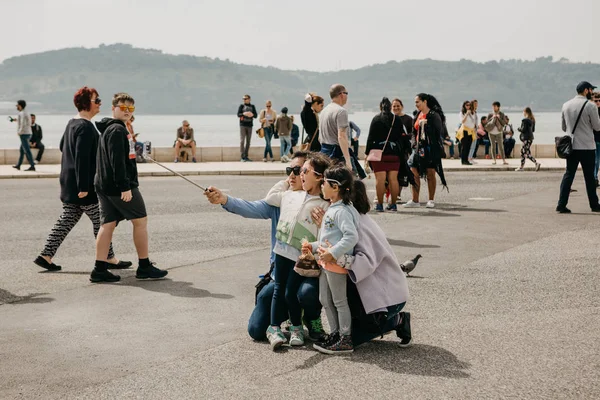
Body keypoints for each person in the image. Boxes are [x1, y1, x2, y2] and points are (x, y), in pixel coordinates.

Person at [203, 151, 326, 342]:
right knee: (256, 329)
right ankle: (287, 319)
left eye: (298, 170)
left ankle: (311, 318)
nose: (292, 175)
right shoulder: (282, 200)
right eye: (289, 170)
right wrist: (223, 199)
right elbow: (250, 207)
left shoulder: (322, 204)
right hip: (282, 271)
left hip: (309, 271)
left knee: (306, 293)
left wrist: (325, 224)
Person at [34, 87, 131, 272]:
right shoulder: (86, 127)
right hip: (83, 185)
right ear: (87, 103)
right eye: (97, 100)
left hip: (68, 181)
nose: (100, 103)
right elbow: (81, 157)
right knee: (102, 222)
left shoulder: (72, 123)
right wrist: (84, 186)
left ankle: (46, 255)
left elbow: (64, 146)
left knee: (68, 218)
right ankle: (109, 258)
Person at [92, 93, 168, 282]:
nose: (127, 111)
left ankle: (99, 270)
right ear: (114, 108)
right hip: (119, 186)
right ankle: (144, 266)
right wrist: (124, 187)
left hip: (104, 184)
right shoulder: (117, 131)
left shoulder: (108, 129)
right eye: (123, 107)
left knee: (107, 225)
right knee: (140, 221)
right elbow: (117, 162)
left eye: (131, 109)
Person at [264, 152, 331, 350]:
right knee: (279, 289)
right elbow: (270, 198)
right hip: (281, 250)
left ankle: (296, 327)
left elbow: (326, 234)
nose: (299, 174)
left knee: (290, 292)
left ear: (319, 177)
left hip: (301, 255)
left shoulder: (324, 204)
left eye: (304, 171)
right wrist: (286, 181)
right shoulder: (291, 194)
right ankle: (274, 328)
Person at [305, 165, 360, 354]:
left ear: (335, 187)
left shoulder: (342, 211)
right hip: (326, 261)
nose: (322, 187)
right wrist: (312, 246)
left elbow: (351, 237)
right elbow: (329, 237)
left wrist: (333, 253)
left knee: (339, 301)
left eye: (325, 184)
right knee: (325, 299)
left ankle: (345, 338)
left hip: (334, 263)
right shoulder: (334, 208)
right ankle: (336, 333)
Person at [556, 81, 600, 213]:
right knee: (589, 178)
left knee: (569, 175)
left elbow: (564, 127)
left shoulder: (566, 105)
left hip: (572, 146)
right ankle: (594, 205)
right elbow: (597, 127)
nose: (592, 92)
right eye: (591, 90)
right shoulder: (590, 106)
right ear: (586, 90)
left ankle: (561, 204)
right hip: (587, 146)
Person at [404, 93, 448, 209]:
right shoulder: (418, 115)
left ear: (425, 102)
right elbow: (413, 131)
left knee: (430, 173)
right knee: (412, 170)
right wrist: (414, 143)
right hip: (417, 149)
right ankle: (415, 199)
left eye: (418, 102)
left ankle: (431, 199)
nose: (416, 104)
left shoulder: (434, 115)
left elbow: (439, 133)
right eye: (415, 102)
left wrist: (428, 129)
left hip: (430, 149)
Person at [365, 98, 403, 212]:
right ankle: (393, 204)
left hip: (378, 154)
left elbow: (370, 138)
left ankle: (380, 205)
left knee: (380, 180)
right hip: (394, 154)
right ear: (390, 106)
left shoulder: (376, 119)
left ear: (381, 107)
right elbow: (400, 137)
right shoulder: (397, 119)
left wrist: (367, 153)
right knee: (393, 180)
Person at [319, 84, 352, 170]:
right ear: (342, 94)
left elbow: (320, 137)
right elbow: (341, 136)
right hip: (337, 153)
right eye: (346, 93)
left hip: (324, 152)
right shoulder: (341, 111)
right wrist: (348, 161)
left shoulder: (323, 111)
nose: (347, 96)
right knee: (350, 181)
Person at [391, 98, 414, 204]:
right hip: (390, 150)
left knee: (401, 173)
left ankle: (398, 194)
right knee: (390, 173)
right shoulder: (389, 118)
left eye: (398, 106)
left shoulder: (408, 119)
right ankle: (390, 194)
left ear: (402, 106)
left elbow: (413, 134)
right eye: (394, 106)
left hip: (403, 150)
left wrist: (403, 136)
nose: (396, 108)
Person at [12, 100, 36, 171]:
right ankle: (18, 165)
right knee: (22, 150)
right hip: (28, 133)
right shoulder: (26, 113)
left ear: (20, 105)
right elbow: (27, 122)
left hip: (24, 134)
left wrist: (19, 132)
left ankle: (32, 166)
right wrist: (16, 120)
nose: (16, 106)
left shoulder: (22, 113)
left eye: (17, 105)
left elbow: (23, 123)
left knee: (27, 150)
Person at [515, 107, 541, 172]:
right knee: (524, 152)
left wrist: (519, 129)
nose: (523, 113)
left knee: (525, 153)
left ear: (526, 112)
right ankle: (521, 167)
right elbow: (533, 130)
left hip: (525, 138)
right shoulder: (532, 120)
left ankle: (536, 163)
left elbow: (523, 129)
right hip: (530, 138)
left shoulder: (525, 120)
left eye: (523, 112)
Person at [237, 94, 257, 162]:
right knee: (242, 141)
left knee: (248, 142)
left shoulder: (252, 106)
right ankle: (242, 156)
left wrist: (252, 114)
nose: (244, 100)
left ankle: (246, 156)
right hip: (242, 125)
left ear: (249, 99)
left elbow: (256, 115)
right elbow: (238, 114)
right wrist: (244, 114)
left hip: (250, 125)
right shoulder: (241, 106)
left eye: (245, 99)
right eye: (243, 99)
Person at [456, 101, 477, 165]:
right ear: (464, 106)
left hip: (471, 131)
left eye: (469, 105)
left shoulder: (473, 113)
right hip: (464, 130)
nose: (468, 106)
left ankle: (466, 160)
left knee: (468, 146)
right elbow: (462, 121)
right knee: (464, 146)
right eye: (467, 105)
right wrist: (467, 114)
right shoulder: (462, 113)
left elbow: (474, 121)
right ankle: (463, 160)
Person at [593, 92, 600, 187]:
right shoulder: (592, 111)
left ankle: (595, 178)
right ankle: (594, 178)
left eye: (599, 100)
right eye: (596, 101)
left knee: (597, 160)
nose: (598, 102)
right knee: (595, 160)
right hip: (593, 139)